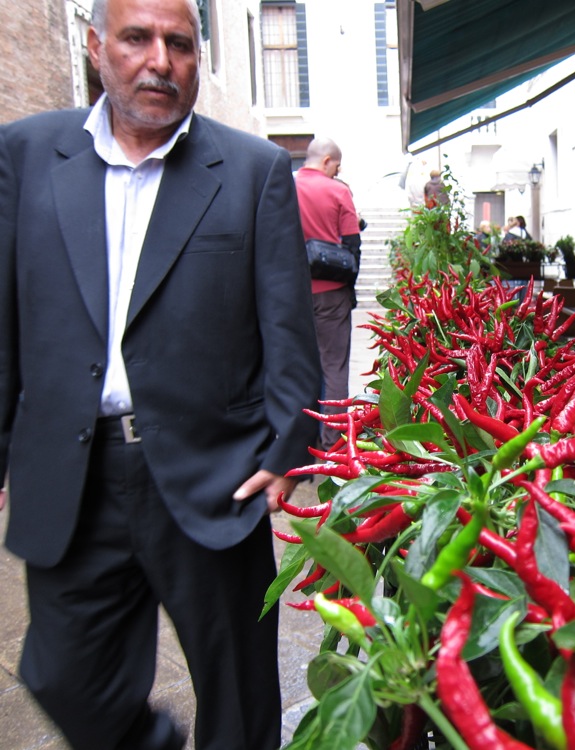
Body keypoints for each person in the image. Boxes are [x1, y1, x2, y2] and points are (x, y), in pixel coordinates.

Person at [0, 0, 321, 747]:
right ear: (95, 46)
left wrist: (288, 450)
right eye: (137, 38)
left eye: (179, 43)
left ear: (197, 58)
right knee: (64, 677)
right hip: (72, 472)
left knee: (239, 698)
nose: (159, 61)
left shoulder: (251, 170)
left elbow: (288, 326)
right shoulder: (26, 154)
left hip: (215, 470)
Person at [295, 137, 362, 451]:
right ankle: (332, 444)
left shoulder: (284, 186)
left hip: (291, 294)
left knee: (296, 365)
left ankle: (298, 439)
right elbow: (352, 243)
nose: (337, 171)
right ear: (326, 161)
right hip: (332, 293)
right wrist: (350, 289)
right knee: (334, 366)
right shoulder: (338, 191)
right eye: (336, 166)